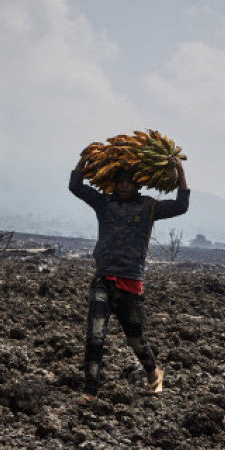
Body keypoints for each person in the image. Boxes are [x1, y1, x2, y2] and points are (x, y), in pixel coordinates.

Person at [69, 154, 189, 404]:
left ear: (138, 185)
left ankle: (154, 373)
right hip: (103, 278)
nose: (124, 186)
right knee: (95, 335)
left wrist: (179, 171)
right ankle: (90, 391)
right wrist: (82, 164)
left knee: (135, 338)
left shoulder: (148, 207)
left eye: (129, 182)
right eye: (120, 181)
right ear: (113, 183)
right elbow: (76, 187)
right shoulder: (104, 203)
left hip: (130, 282)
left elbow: (180, 206)